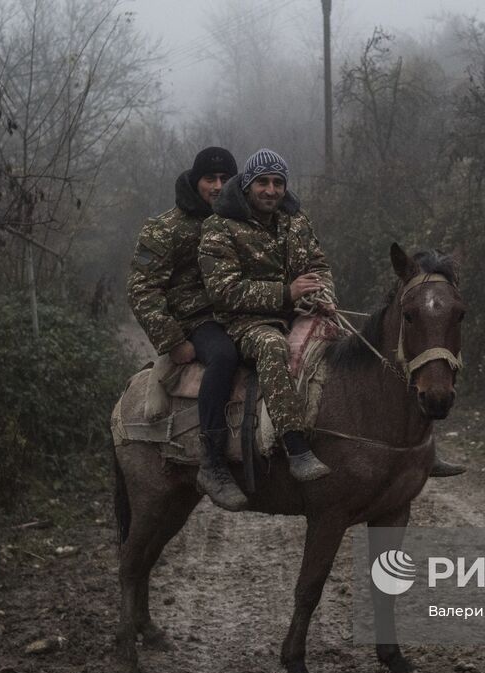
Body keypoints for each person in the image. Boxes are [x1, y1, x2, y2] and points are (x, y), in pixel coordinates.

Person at [199, 149, 336, 482]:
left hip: (296, 313)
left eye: (278, 183)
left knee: (345, 346)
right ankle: (295, 446)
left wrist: (324, 296)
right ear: (248, 184)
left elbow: (317, 265)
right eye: (263, 182)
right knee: (274, 346)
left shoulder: (297, 221)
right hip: (245, 323)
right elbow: (223, 291)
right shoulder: (219, 227)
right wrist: (285, 294)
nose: (271, 190)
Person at [127, 146, 249, 510]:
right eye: (209, 179)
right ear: (195, 181)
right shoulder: (166, 228)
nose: (217, 186)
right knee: (224, 357)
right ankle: (212, 461)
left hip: (243, 310)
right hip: (197, 320)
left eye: (225, 179)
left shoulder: (244, 219)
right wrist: (173, 340)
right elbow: (141, 289)